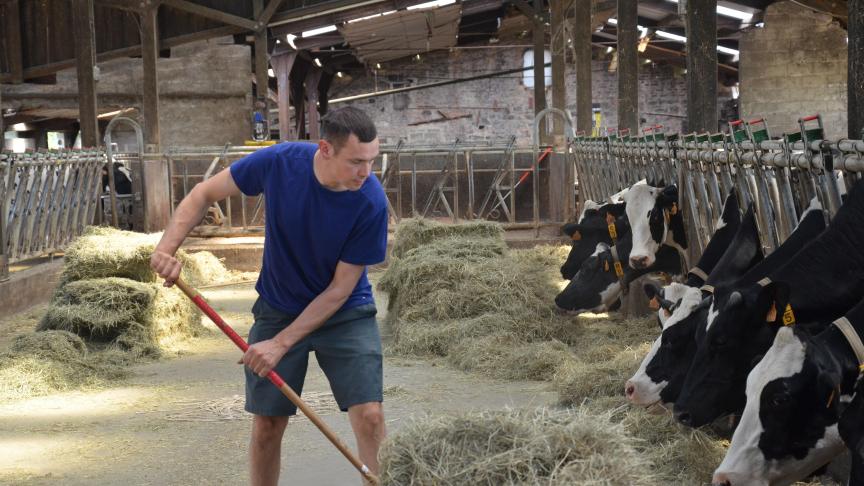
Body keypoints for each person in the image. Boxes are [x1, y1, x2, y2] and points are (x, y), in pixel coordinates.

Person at [150, 107, 388, 486]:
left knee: (370, 415)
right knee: (267, 424)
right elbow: (203, 193)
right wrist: (167, 249)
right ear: (325, 149)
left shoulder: (371, 202)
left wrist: (280, 344)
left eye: (372, 161)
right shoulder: (280, 162)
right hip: (279, 305)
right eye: (356, 162)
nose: (367, 172)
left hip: (344, 311)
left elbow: (340, 289)